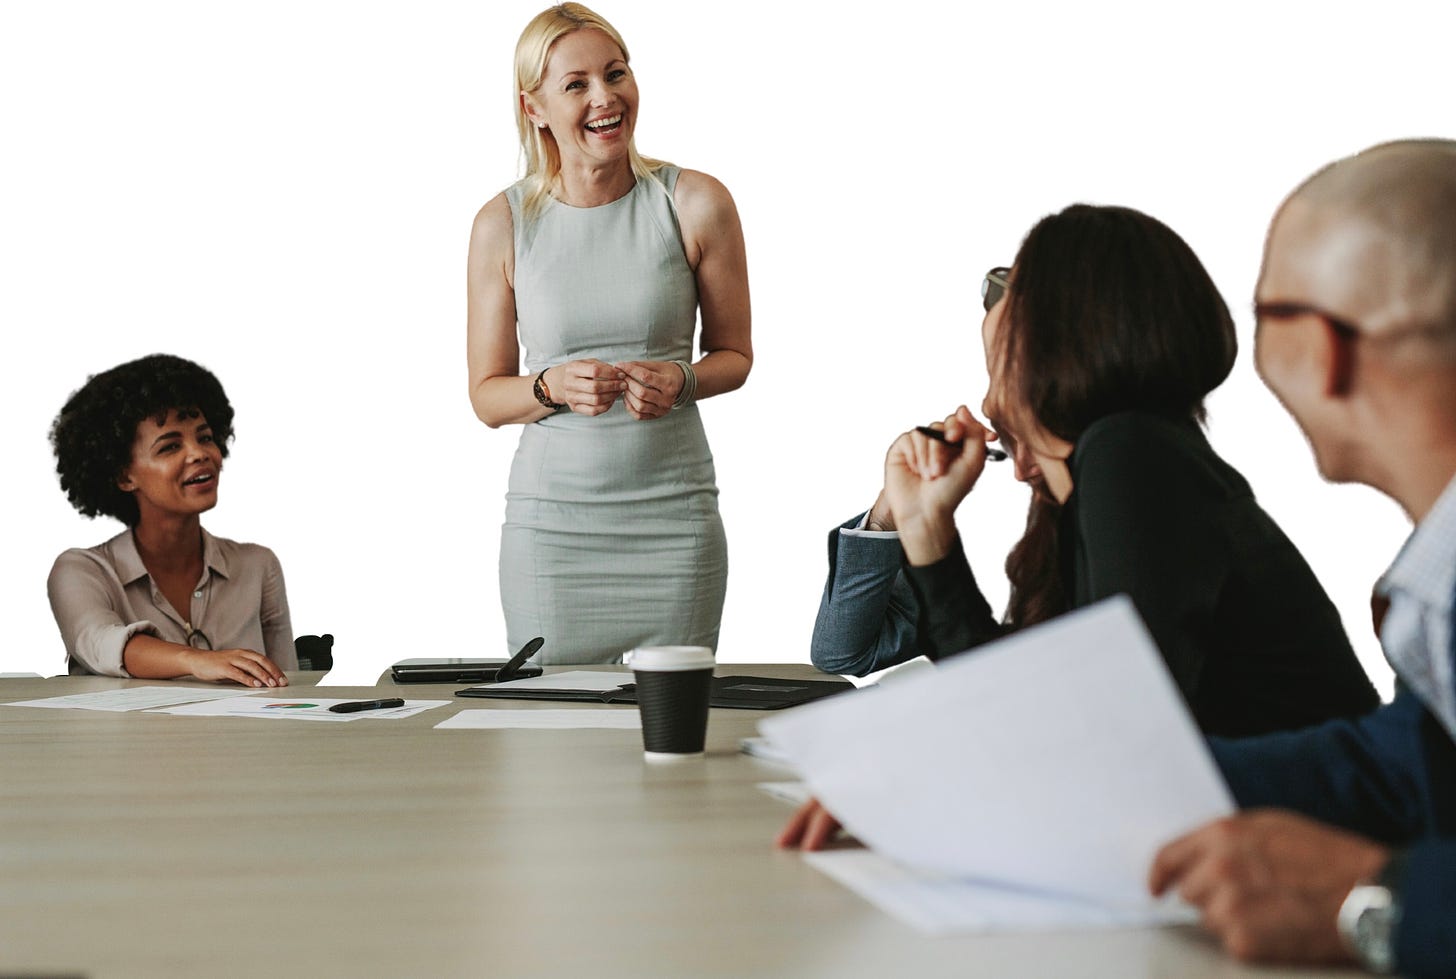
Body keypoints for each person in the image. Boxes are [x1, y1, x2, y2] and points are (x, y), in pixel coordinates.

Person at [782, 203, 1380, 851]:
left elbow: (1108, 735)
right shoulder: (1118, 470)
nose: (986, 401)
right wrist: (927, 530)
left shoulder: (1132, 453)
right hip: (1260, 844)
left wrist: (929, 775)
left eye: (999, 363)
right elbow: (1034, 710)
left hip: (1317, 858)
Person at [1150, 140, 1456, 978]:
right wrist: (1060, 786)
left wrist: (1376, 898)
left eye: (1264, 313)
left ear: (1323, 344)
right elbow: (1405, 767)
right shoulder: (1438, 570)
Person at [466, 3, 752, 665]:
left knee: (673, 742)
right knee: (552, 749)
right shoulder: (500, 224)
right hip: (553, 535)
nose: (605, 98)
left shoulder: (696, 202)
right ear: (533, 107)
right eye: (576, 85)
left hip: (674, 524)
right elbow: (486, 395)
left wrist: (683, 379)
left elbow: (735, 354)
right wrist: (550, 385)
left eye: (615, 73)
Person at [47, 354, 295, 686]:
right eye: (170, 447)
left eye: (205, 437)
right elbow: (99, 643)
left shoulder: (258, 566)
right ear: (124, 476)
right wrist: (198, 661)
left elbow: (289, 687)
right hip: (124, 740)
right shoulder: (83, 571)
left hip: (240, 739)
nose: (199, 453)